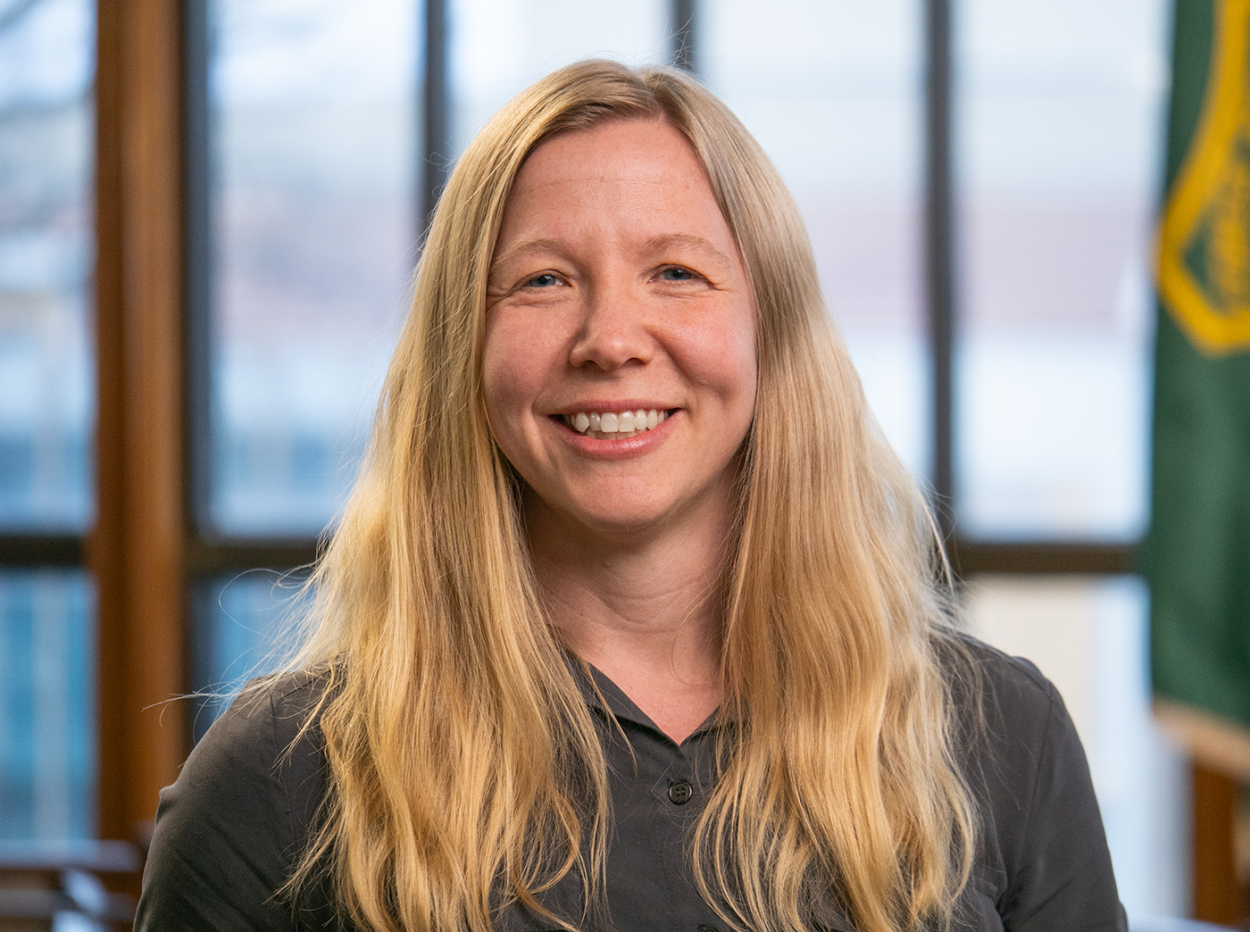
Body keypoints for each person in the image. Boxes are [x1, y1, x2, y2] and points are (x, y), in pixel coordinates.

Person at [135, 60, 1126, 932]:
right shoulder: (280, 779)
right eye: (541, 280)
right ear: (460, 354)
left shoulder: (1003, 736)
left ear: (768, 334)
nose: (610, 337)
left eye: (676, 271)